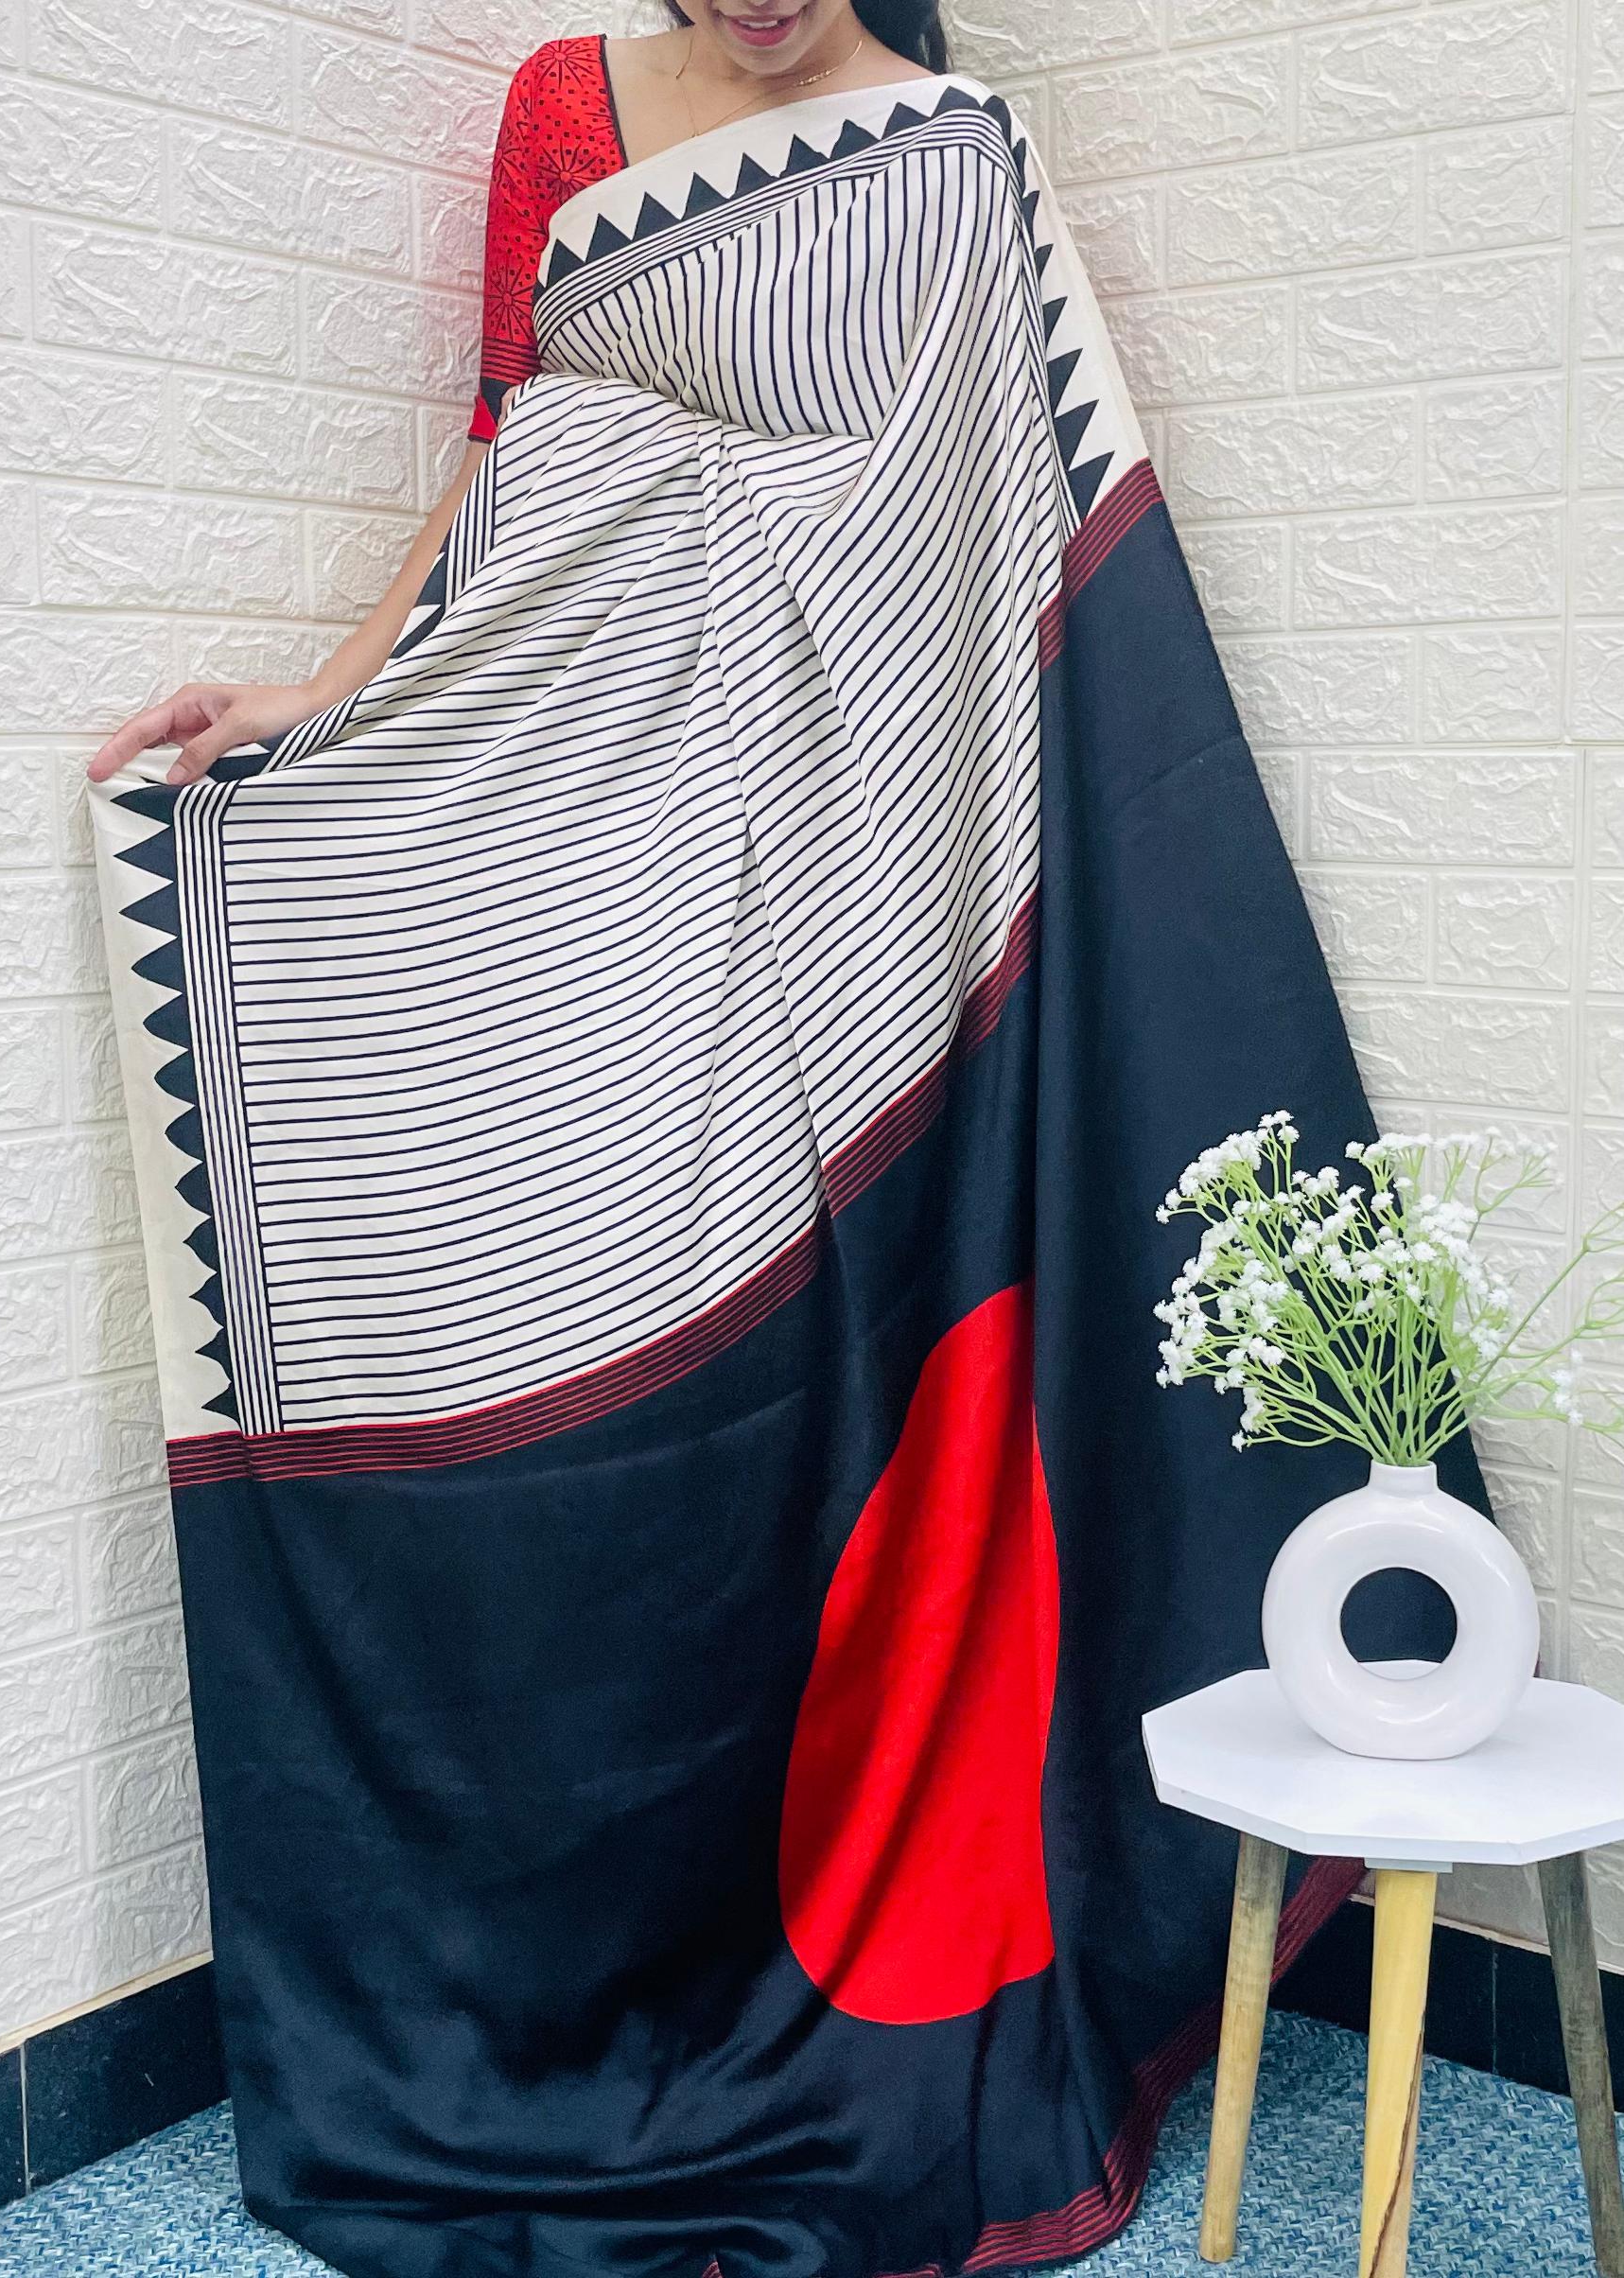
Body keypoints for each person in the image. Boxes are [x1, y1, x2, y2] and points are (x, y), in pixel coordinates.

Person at [86, 9, 1479, 2278]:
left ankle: (838, 1924)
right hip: (608, 819)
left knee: (836, 1398)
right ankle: (552, 1958)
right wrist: (326, 695)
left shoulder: (951, 155)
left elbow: (1005, 542)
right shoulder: (562, 112)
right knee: (534, 1292)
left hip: (867, 874)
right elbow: (506, 446)